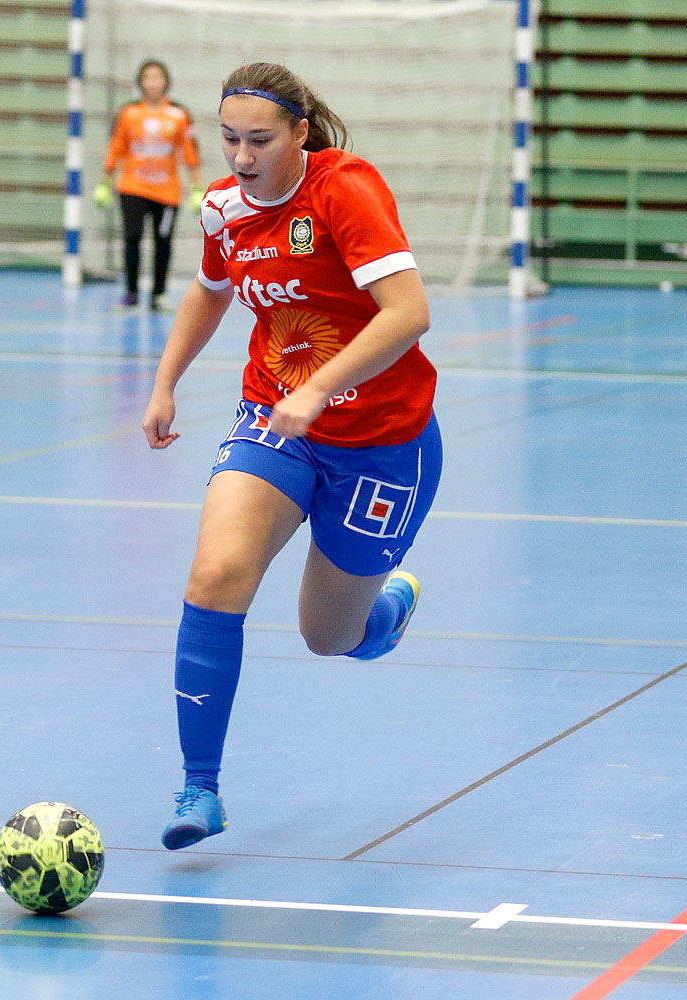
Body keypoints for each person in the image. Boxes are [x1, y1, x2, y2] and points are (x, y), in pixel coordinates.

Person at [141, 62, 443, 850]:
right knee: (215, 576)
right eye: (230, 139)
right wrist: (165, 380)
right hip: (274, 425)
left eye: (260, 141)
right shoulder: (223, 209)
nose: (242, 157)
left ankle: (384, 610)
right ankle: (198, 790)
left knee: (328, 638)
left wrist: (321, 389)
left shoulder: (346, 190)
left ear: (300, 133)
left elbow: (409, 311)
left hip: (384, 444)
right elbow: (211, 289)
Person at [94, 59, 202, 311]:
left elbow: (190, 152)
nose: (153, 82)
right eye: (148, 77)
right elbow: (116, 148)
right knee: (132, 238)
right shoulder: (128, 113)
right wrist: (105, 181)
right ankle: (131, 293)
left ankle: (158, 295)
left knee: (162, 241)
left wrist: (197, 187)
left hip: (167, 192)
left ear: (166, 82)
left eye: (158, 77)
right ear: (140, 82)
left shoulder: (179, 114)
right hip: (132, 188)